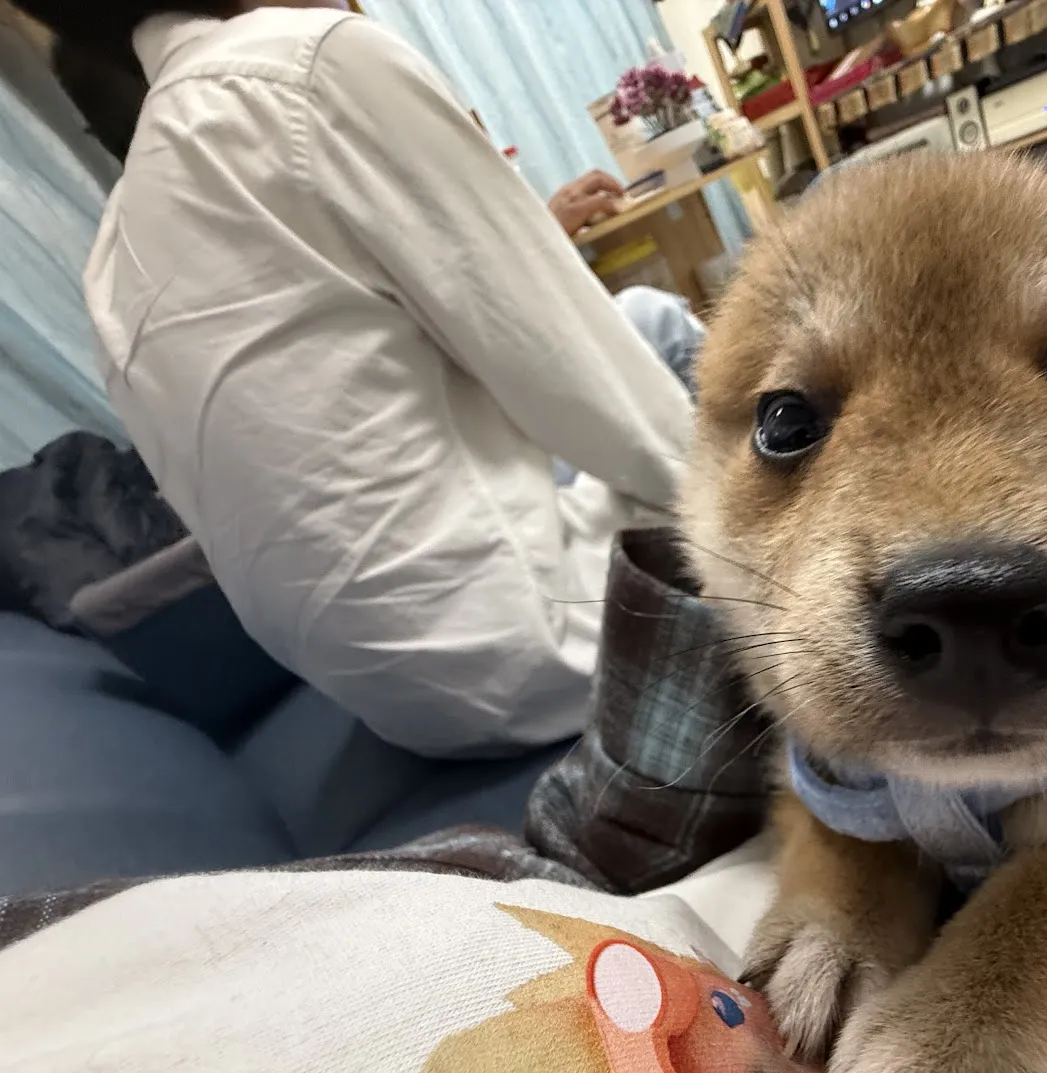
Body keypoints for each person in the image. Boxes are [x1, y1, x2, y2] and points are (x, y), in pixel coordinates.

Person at [14, 0, 699, 756]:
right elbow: (580, 373)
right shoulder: (300, 66)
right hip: (542, 641)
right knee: (653, 324)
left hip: (406, 710)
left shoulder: (112, 261)